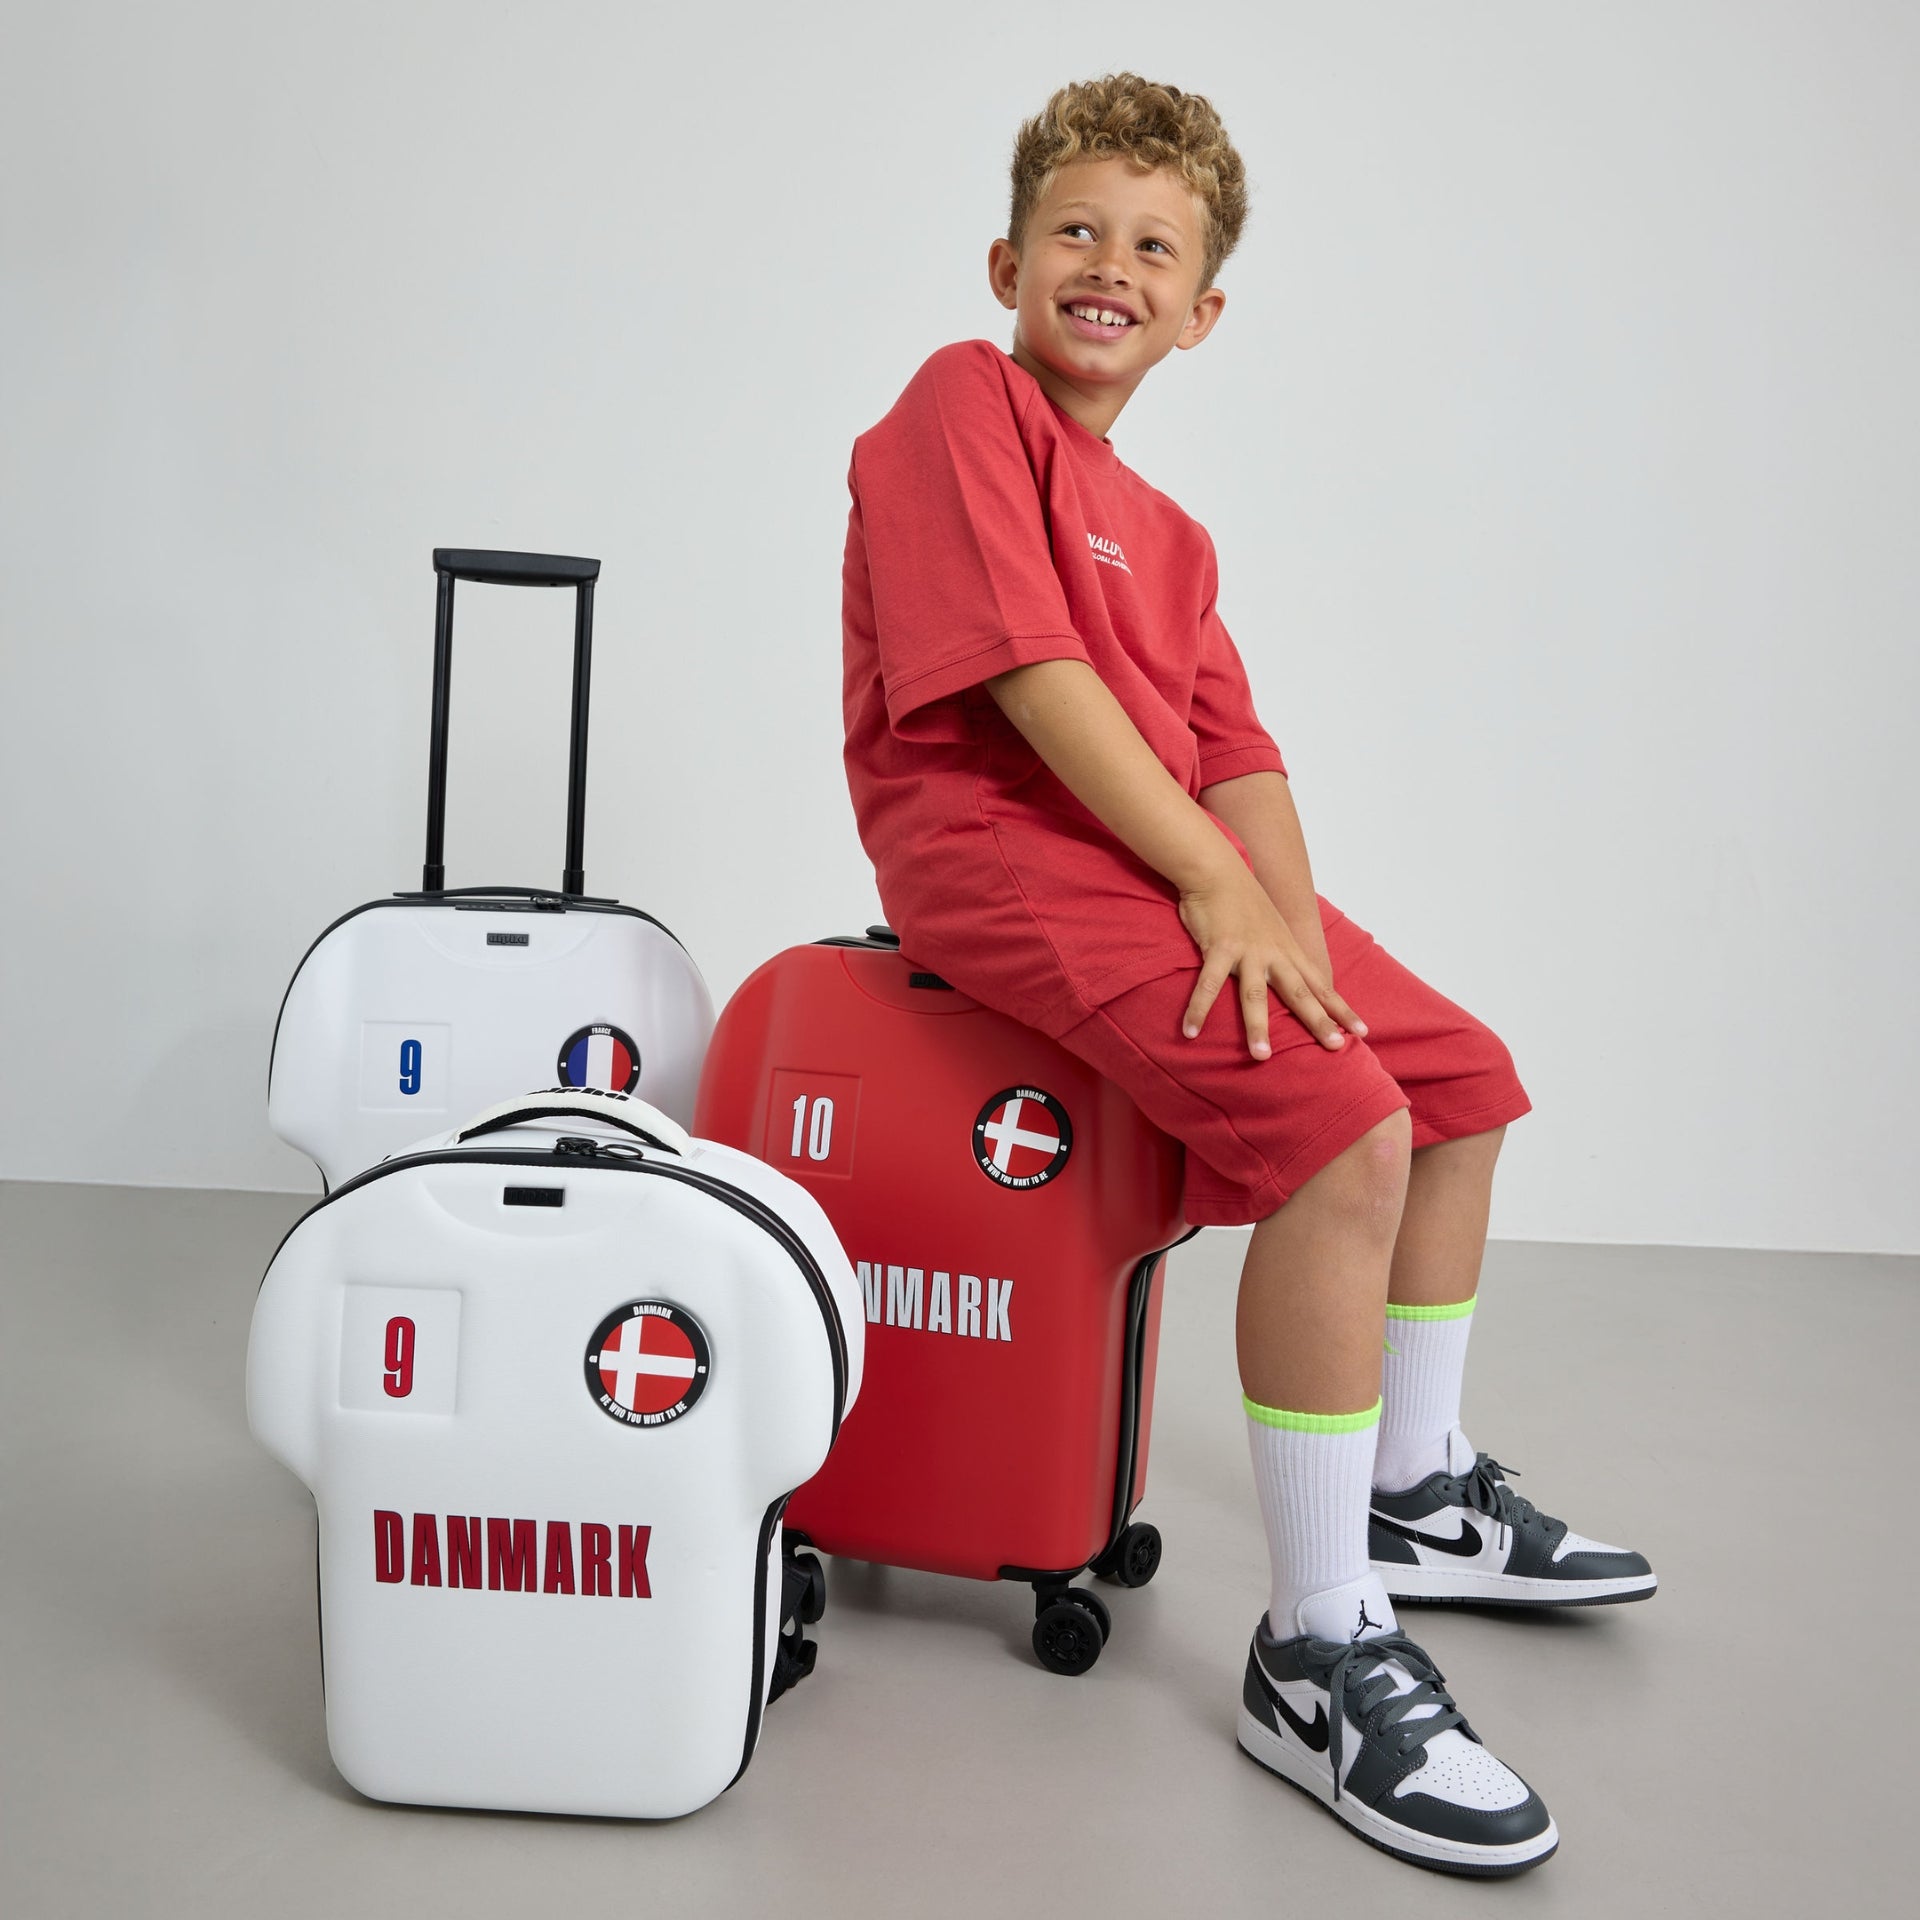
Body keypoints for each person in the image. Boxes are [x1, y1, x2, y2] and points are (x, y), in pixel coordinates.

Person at [840, 72, 1654, 1877]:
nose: (1108, 265)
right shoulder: (958, 409)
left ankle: (1416, 1485)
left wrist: (1278, 923)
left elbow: (1238, 757)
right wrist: (1216, 891)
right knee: (1346, 1134)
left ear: (1203, 312)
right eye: (1077, 231)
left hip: (1157, 863)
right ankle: (1315, 1649)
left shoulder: (1177, 537)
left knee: (1454, 1076)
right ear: (1006, 258)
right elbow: (1033, 685)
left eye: (1155, 246)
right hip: (1004, 857)